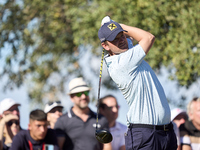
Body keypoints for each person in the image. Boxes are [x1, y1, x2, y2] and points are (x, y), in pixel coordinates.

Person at [98, 16, 177, 150]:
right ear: (105, 46)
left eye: (121, 36)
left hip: (165, 133)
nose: (121, 41)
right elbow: (148, 37)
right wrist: (119, 25)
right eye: (115, 39)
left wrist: (112, 27)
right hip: (145, 134)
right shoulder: (121, 64)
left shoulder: (123, 51)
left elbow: (129, 40)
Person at [54, 77, 112, 150]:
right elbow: (58, 147)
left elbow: (107, 146)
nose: (84, 96)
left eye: (86, 92)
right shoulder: (62, 121)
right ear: (71, 97)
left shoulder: (101, 119)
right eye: (78, 94)